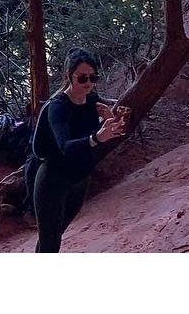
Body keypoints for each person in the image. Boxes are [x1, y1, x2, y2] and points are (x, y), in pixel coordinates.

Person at [25, 49, 129, 253]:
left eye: (93, 77)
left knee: (55, 234)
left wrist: (107, 122)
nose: (88, 83)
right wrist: (97, 137)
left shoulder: (92, 101)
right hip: (53, 179)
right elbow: (66, 146)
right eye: (82, 78)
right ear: (69, 76)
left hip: (79, 179)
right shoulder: (58, 107)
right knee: (50, 239)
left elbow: (92, 135)